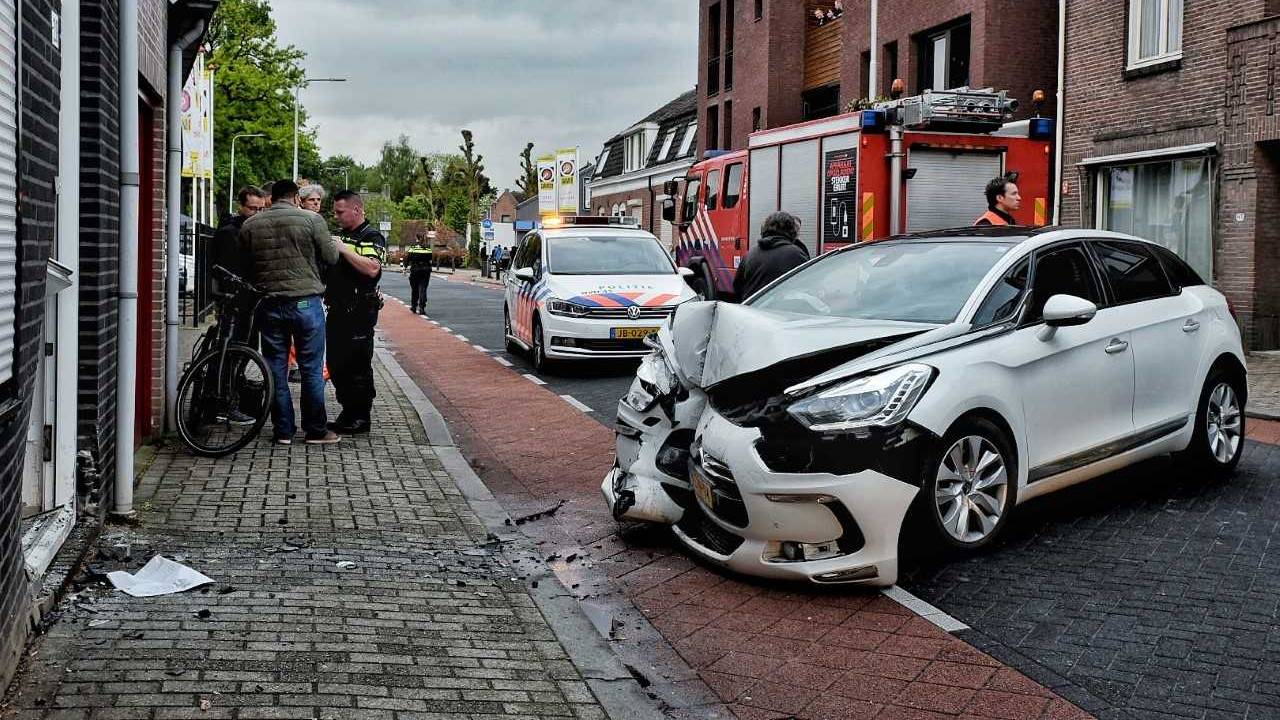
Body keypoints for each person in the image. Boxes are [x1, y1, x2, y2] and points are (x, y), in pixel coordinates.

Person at [237, 180, 342, 446]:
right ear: (296, 198)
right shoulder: (311, 221)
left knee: (275, 368)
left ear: (272, 199)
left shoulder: (250, 225)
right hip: (306, 303)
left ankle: (283, 430)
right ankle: (316, 430)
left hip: (270, 304)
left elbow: (245, 264)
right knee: (311, 368)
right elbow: (331, 257)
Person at [327, 190, 387, 435]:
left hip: (359, 311)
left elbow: (372, 268)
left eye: (340, 212)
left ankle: (360, 417)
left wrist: (343, 249)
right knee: (336, 362)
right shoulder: (343, 235)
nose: (336, 216)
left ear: (357, 210)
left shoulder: (371, 236)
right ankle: (348, 410)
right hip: (338, 308)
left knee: (357, 364)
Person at [732, 211, 809, 301]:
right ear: (792, 231)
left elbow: (737, 288)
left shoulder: (750, 255)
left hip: (752, 311)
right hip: (777, 312)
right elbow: (808, 286)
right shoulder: (796, 255)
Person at [213, 186, 266, 294]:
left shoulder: (263, 229)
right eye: (252, 208)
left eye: (261, 209)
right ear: (240, 206)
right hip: (238, 293)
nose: (258, 213)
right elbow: (228, 267)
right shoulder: (228, 233)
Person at [405, 237, 433, 313]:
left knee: (415, 289)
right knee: (423, 289)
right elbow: (430, 259)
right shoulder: (428, 249)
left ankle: (414, 306)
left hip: (415, 270)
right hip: (426, 271)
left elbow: (408, 258)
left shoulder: (413, 248)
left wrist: (405, 267)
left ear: (417, 240)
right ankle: (422, 308)